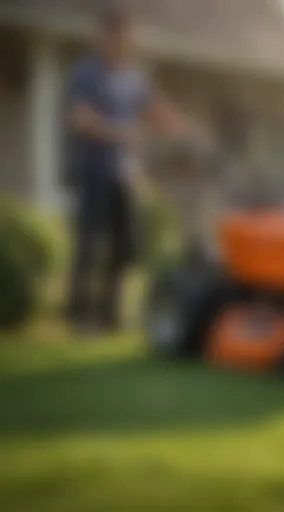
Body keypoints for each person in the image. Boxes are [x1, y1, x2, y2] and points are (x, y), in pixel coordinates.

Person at [65, 7, 196, 334]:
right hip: (93, 170)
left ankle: (109, 314)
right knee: (89, 243)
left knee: (124, 246)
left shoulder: (133, 77)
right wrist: (120, 133)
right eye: (122, 37)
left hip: (123, 174)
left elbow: (154, 109)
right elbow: (80, 119)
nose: (127, 44)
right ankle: (79, 315)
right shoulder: (87, 73)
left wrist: (186, 132)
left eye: (130, 38)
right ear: (107, 37)